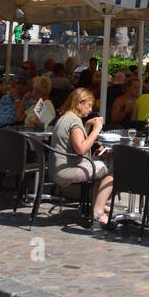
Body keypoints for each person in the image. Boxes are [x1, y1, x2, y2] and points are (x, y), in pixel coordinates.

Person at [49, 88, 113, 226]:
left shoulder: (65, 117)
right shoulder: (74, 122)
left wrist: (88, 125)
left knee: (100, 167)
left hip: (57, 168)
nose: (90, 110)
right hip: (68, 171)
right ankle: (98, 211)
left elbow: (73, 141)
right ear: (80, 103)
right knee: (112, 169)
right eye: (89, 105)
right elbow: (81, 148)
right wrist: (96, 130)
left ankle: (98, 203)